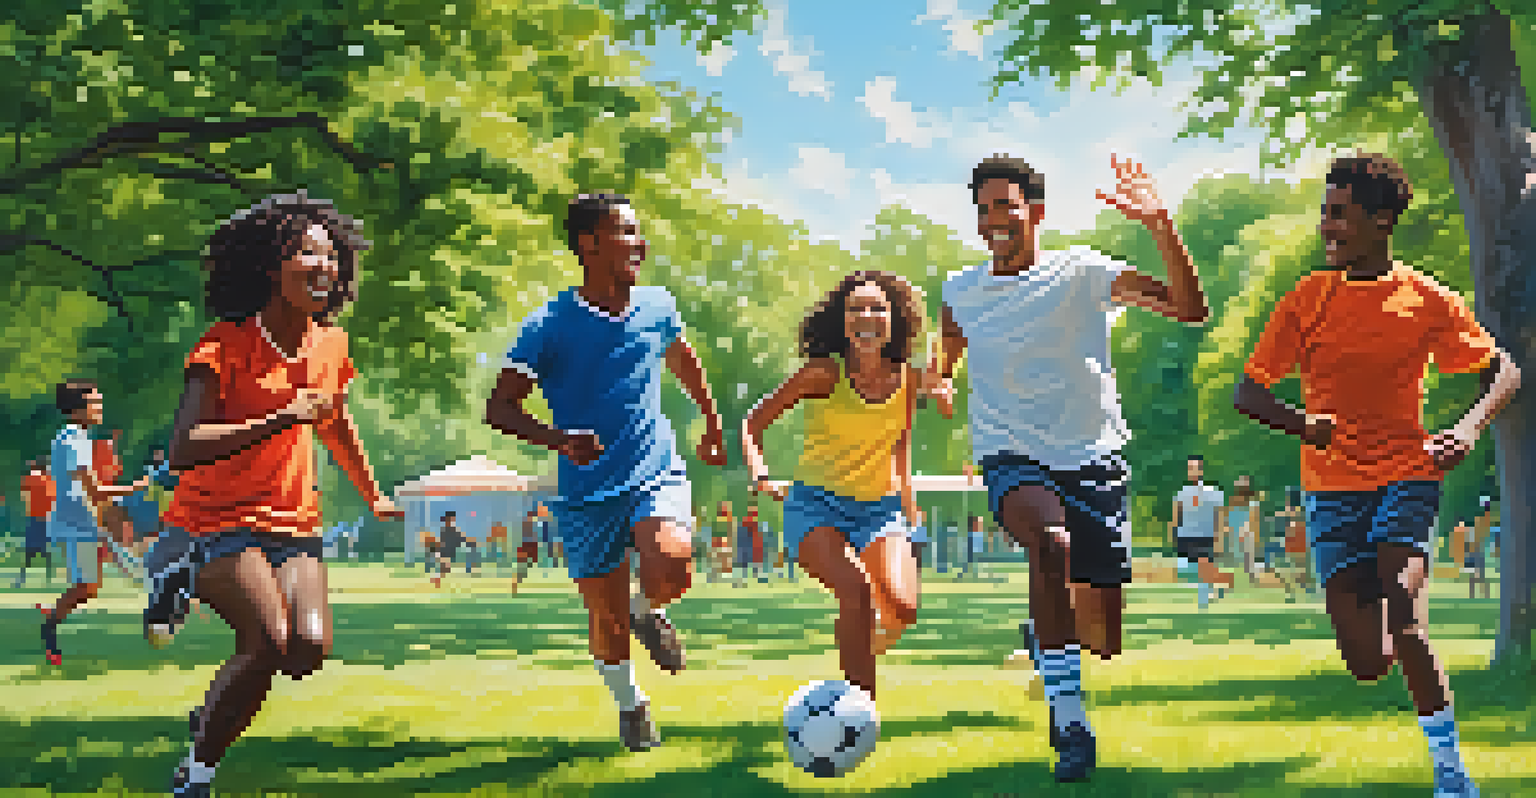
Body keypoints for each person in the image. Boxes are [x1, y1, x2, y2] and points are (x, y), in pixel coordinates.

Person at [1233, 154, 1522, 798]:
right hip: (1332, 490)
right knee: (1369, 661)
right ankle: (1398, 638)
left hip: (1407, 478)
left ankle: (1452, 772)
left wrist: (1471, 426)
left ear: (1381, 220)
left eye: (1340, 214)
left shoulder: (1425, 299)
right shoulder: (1308, 297)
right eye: (1326, 212)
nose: (1327, 226)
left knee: (1404, 604)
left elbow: (1504, 371)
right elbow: (1248, 393)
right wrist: (1305, 425)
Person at [931, 153, 1209, 782]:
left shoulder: (1082, 273)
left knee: (1104, 638)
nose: (993, 220)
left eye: (1006, 205)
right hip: (1011, 455)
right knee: (1048, 544)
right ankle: (1069, 717)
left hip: (1093, 459)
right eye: (983, 209)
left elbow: (1191, 309)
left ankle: (1044, 635)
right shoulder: (961, 290)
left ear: (1036, 212)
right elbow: (945, 355)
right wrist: (940, 384)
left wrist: (1162, 225)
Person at [146, 192, 402, 796]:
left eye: (330, 254)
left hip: (293, 525)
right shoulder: (224, 343)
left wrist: (373, 494)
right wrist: (281, 416)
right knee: (266, 641)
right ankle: (197, 774)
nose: (324, 265)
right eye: (305, 252)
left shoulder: (331, 344)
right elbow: (183, 445)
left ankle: (210, 716)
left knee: (307, 647)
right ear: (269, 267)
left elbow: (335, 423)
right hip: (211, 522)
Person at [484, 193, 728, 752]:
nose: (638, 242)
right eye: (625, 232)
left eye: (638, 231)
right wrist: (559, 440)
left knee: (671, 562)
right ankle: (631, 705)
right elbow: (499, 409)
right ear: (588, 244)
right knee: (606, 620)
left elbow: (682, 356)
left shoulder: (658, 306)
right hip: (587, 490)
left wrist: (711, 421)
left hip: (654, 469)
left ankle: (651, 609)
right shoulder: (548, 325)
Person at [743, 270, 927, 701]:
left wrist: (908, 502)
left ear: (892, 317)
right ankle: (860, 714)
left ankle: (861, 647)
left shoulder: (908, 378)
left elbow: (900, 443)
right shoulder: (823, 373)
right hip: (815, 508)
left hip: (879, 509)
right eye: (855, 309)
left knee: (902, 609)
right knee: (856, 589)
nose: (866, 315)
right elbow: (754, 421)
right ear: (842, 322)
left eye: (877, 307)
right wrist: (761, 474)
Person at [39, 381, 148, 665]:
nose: (99, 408)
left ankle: (51, 615)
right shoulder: (74, 439)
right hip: (76, 520)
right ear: (77, 410)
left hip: (81, 518)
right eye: (94, 403)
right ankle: (50, 629)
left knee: (89, 585)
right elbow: (96, 491)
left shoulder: (72, 437)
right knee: (86, 585)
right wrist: (137, 487)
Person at [1170, 456, 1231, 607]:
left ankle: (1203, 604)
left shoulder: (1214, 492)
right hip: (1186, 537)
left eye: (1196, 467)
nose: (1193, 471)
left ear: (1202, 469)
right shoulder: (1182, 493)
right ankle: (1220, 582)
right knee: (1186, 570)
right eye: (1191, 468)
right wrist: (1173, 536)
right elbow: (1176, 517)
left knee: (1203, 569)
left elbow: (1220, 517)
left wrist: (1220, 538)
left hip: (1207, 536)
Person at [13, 459, 56, 588]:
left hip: (35, 518)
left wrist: (32, 466)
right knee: (46, 551)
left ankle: (22, 578)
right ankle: (50, 578)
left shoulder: (34, 479)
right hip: (48, 519)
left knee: (29, 551)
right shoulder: (52, 481)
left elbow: (25, 488)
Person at [432, 511, 463, 588]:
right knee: (444, 567)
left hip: (446, 552)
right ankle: (436, 581)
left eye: (453, 519)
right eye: (451, 519)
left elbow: (458, 540)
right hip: (443, 552)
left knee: (445, 568)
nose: (452, 521)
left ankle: (436, 580)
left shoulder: (452, 530)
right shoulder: (447, 530)